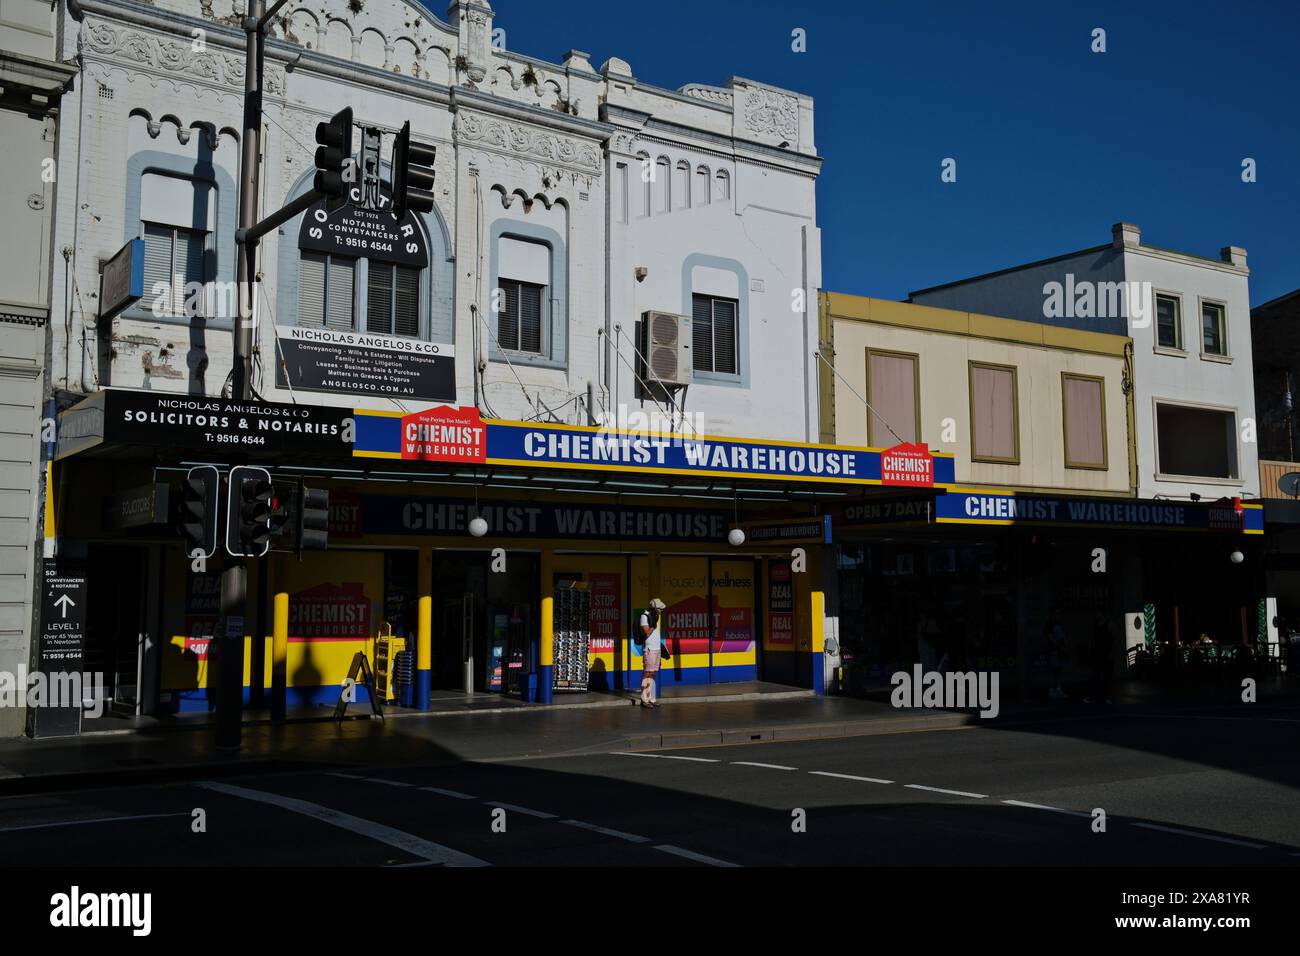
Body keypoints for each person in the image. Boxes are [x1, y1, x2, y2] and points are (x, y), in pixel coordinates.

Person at [637, 598, 668, 707]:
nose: (661, 610)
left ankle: (650, 697)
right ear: (654, 608)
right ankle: (644, 699)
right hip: (649, 649)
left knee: (653, 673)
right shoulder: (644, 617)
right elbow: (646, 632)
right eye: (660, 609)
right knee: (647, 673)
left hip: (656, 648)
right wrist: (653, 624)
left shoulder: (655, 617)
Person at [1084, 612, 1113, 704]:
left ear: (1101, 613)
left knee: (1106, 676)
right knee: (1095, 676)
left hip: (1106, 653)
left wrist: (1111, 652)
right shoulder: (1095, 624)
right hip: (1097, 653)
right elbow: (1092, 639)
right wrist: (1090, 650)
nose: (1096, 614)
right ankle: (1092, 697)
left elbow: (1113, 639)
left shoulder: (1109, 624)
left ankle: (1107, 697)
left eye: (1097, 613)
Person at [1046, 609, 1069, 700]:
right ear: (1052, 614)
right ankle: (1052, 690)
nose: (1058, 616)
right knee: (1053, 671)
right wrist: (1062, 647)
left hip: (1060, 651)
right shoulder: (1048, 625)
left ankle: (1058, 690)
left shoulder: (1059, 624)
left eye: (1059, 614)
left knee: (1059, 670)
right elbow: (1051, 639)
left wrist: (1066, 647)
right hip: (1053, 651)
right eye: (1056, 614)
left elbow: (1063, 636)